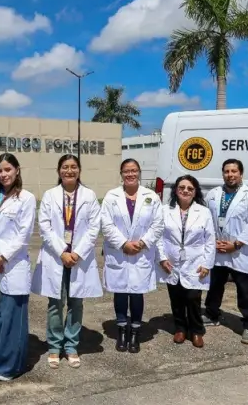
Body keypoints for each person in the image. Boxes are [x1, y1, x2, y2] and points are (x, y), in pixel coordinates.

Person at [33, 154, 102, 369]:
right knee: (55, 303)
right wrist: (62, 251)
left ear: (79, 170)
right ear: (59, 171)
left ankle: (71, 345)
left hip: (79, 258)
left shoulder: (89, 195)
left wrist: (77, 253)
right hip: (56, 257)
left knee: (76, 303)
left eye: (73, 167)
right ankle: (54, 346)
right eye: (65, 167)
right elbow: (44, 226)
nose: (69, 171)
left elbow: (93, 228)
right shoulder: (50, 195)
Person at [0, 153, 36, 381]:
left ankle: (11, 366)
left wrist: (3, 257)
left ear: (17, 170)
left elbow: (24, 235)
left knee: (13, 318)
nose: (3, 174)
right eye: (0, 171)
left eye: (8, 169)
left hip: (12, 266)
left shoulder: (26, 198)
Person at [100, 158, 163, 353]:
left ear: (139, 173)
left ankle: (135, 331)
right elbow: (106, 224)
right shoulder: (111, 197)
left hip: (141, 253)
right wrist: (123, 244)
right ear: (121, 174)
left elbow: (158, 224)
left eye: (134, 170)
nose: (130, 174)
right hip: (119, 252)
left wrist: (142, 243)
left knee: (136, 292)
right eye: (126, 171)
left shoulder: (151, 196)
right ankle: (121, 330)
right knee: (120, 291)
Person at [203, 159, 248, 345]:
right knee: (215, 285)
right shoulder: (213, 194)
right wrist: (211, 240)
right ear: (223, 174)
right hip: (218, 248)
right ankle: (212, 314)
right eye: (227, 171)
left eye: (234, 171)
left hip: (239, 251)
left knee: (245, 290)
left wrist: (236, 244)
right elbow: (206, 219)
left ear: (241, 174)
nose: (230, 175)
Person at [157, 175, 216, 348]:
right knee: (176, 297)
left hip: (195, 261)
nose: (185, 191)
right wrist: (162, 258)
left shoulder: (203, 212)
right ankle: (180, 328)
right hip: (172, 261)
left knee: (192, 298)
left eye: (190, 188)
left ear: (195, 191)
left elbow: (210, 240)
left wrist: (207, 264)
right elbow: (158, 237)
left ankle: (196, 330)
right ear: (176, 190)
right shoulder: (164, 210)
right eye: (182, 187)